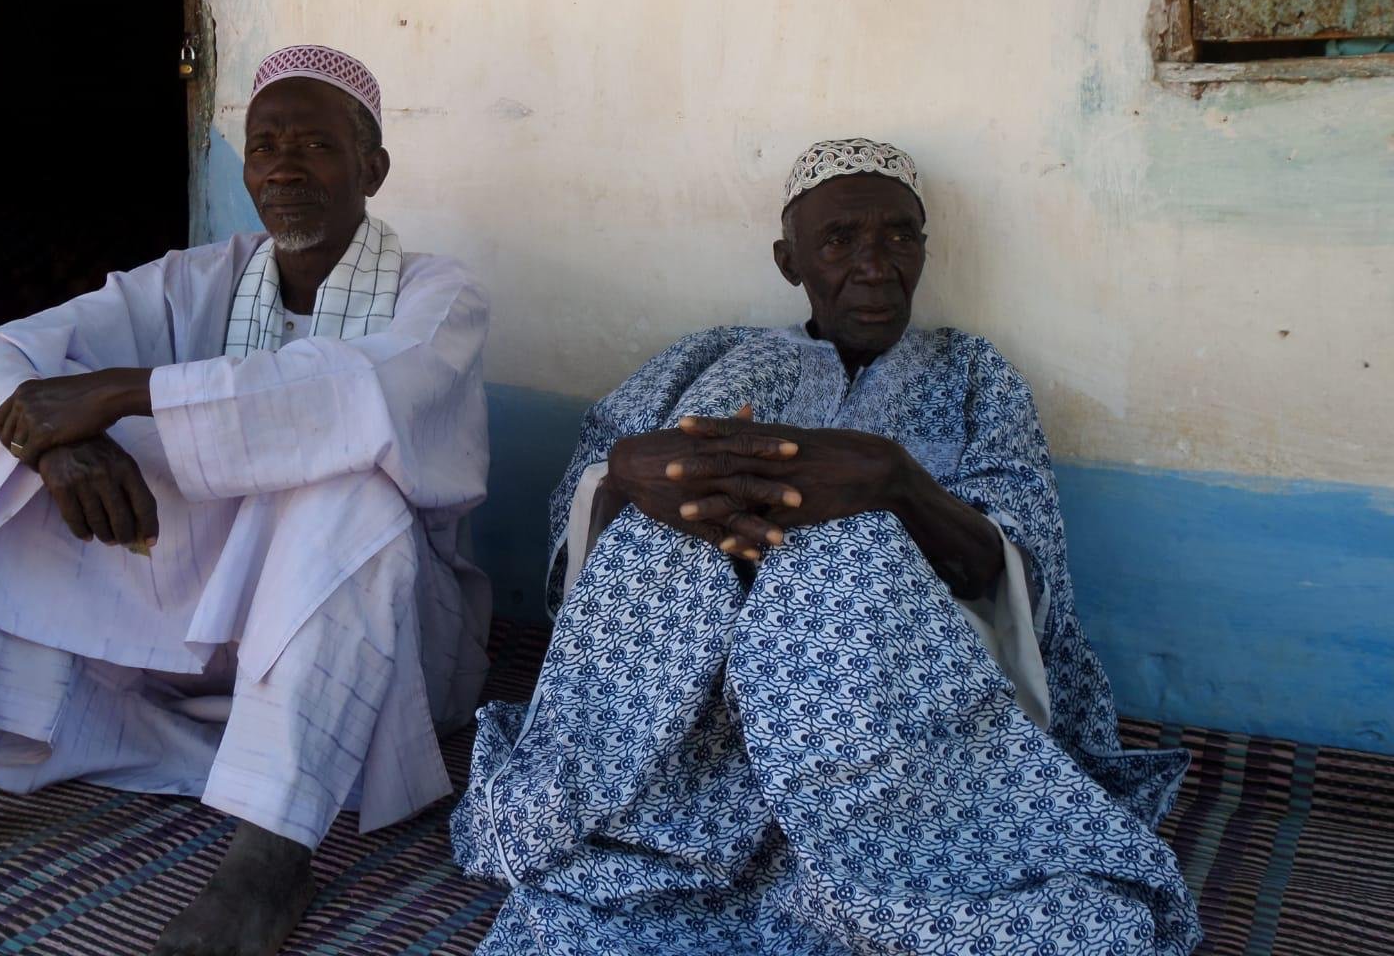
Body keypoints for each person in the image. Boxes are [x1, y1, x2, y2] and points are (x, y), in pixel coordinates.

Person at [0, 45, 492, 956]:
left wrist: (127, 393)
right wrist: (59, 443)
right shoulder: (195, 280)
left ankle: (270, 854)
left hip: (387, 639)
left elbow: (360, 395)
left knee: (353, 491)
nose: (282, 168)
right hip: (202, 630)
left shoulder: (437, 295)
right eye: (264, 146)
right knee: (3, 464)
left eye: (315, 146)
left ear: (373, 169)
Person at [452, 138, 1200, 955]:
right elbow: (586, 513)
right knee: (665, 537)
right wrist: (626, 475)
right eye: (840, 240)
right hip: (692, 692)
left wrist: (897, 486)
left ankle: (878, 848)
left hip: (892, 692)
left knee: (844, 552)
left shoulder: (973, 376)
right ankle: (671, 828)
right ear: (789, 261)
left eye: (899, 235)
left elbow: (1020, 568)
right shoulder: (705, 359)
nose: (875, 266)